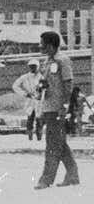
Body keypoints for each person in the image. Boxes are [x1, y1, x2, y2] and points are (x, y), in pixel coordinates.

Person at [35, 31, 79, 189]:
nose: (40, 46)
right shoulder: (47, 61)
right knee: (59, 143)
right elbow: (44, 82)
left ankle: (46, 179)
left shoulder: (63, 60)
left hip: (58, 108)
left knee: (53, 144)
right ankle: (72, 175)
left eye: (42, 44)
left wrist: (65, 107)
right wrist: (40, 86)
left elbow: (68, 84)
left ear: (50, 45)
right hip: (48, 107)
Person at [12, 61, 43, 141]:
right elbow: (15, 86)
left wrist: (42, 94)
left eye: (34, 66)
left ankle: (39, 137)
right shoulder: (25, 77)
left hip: (39, 101)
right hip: (30, 101)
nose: (32, 68)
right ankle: (30, 138)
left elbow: (46, 88)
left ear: (38, 66)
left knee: (39, 120)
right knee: (30, 119)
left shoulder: (42, 77)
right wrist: (25, 94)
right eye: (31, 66)